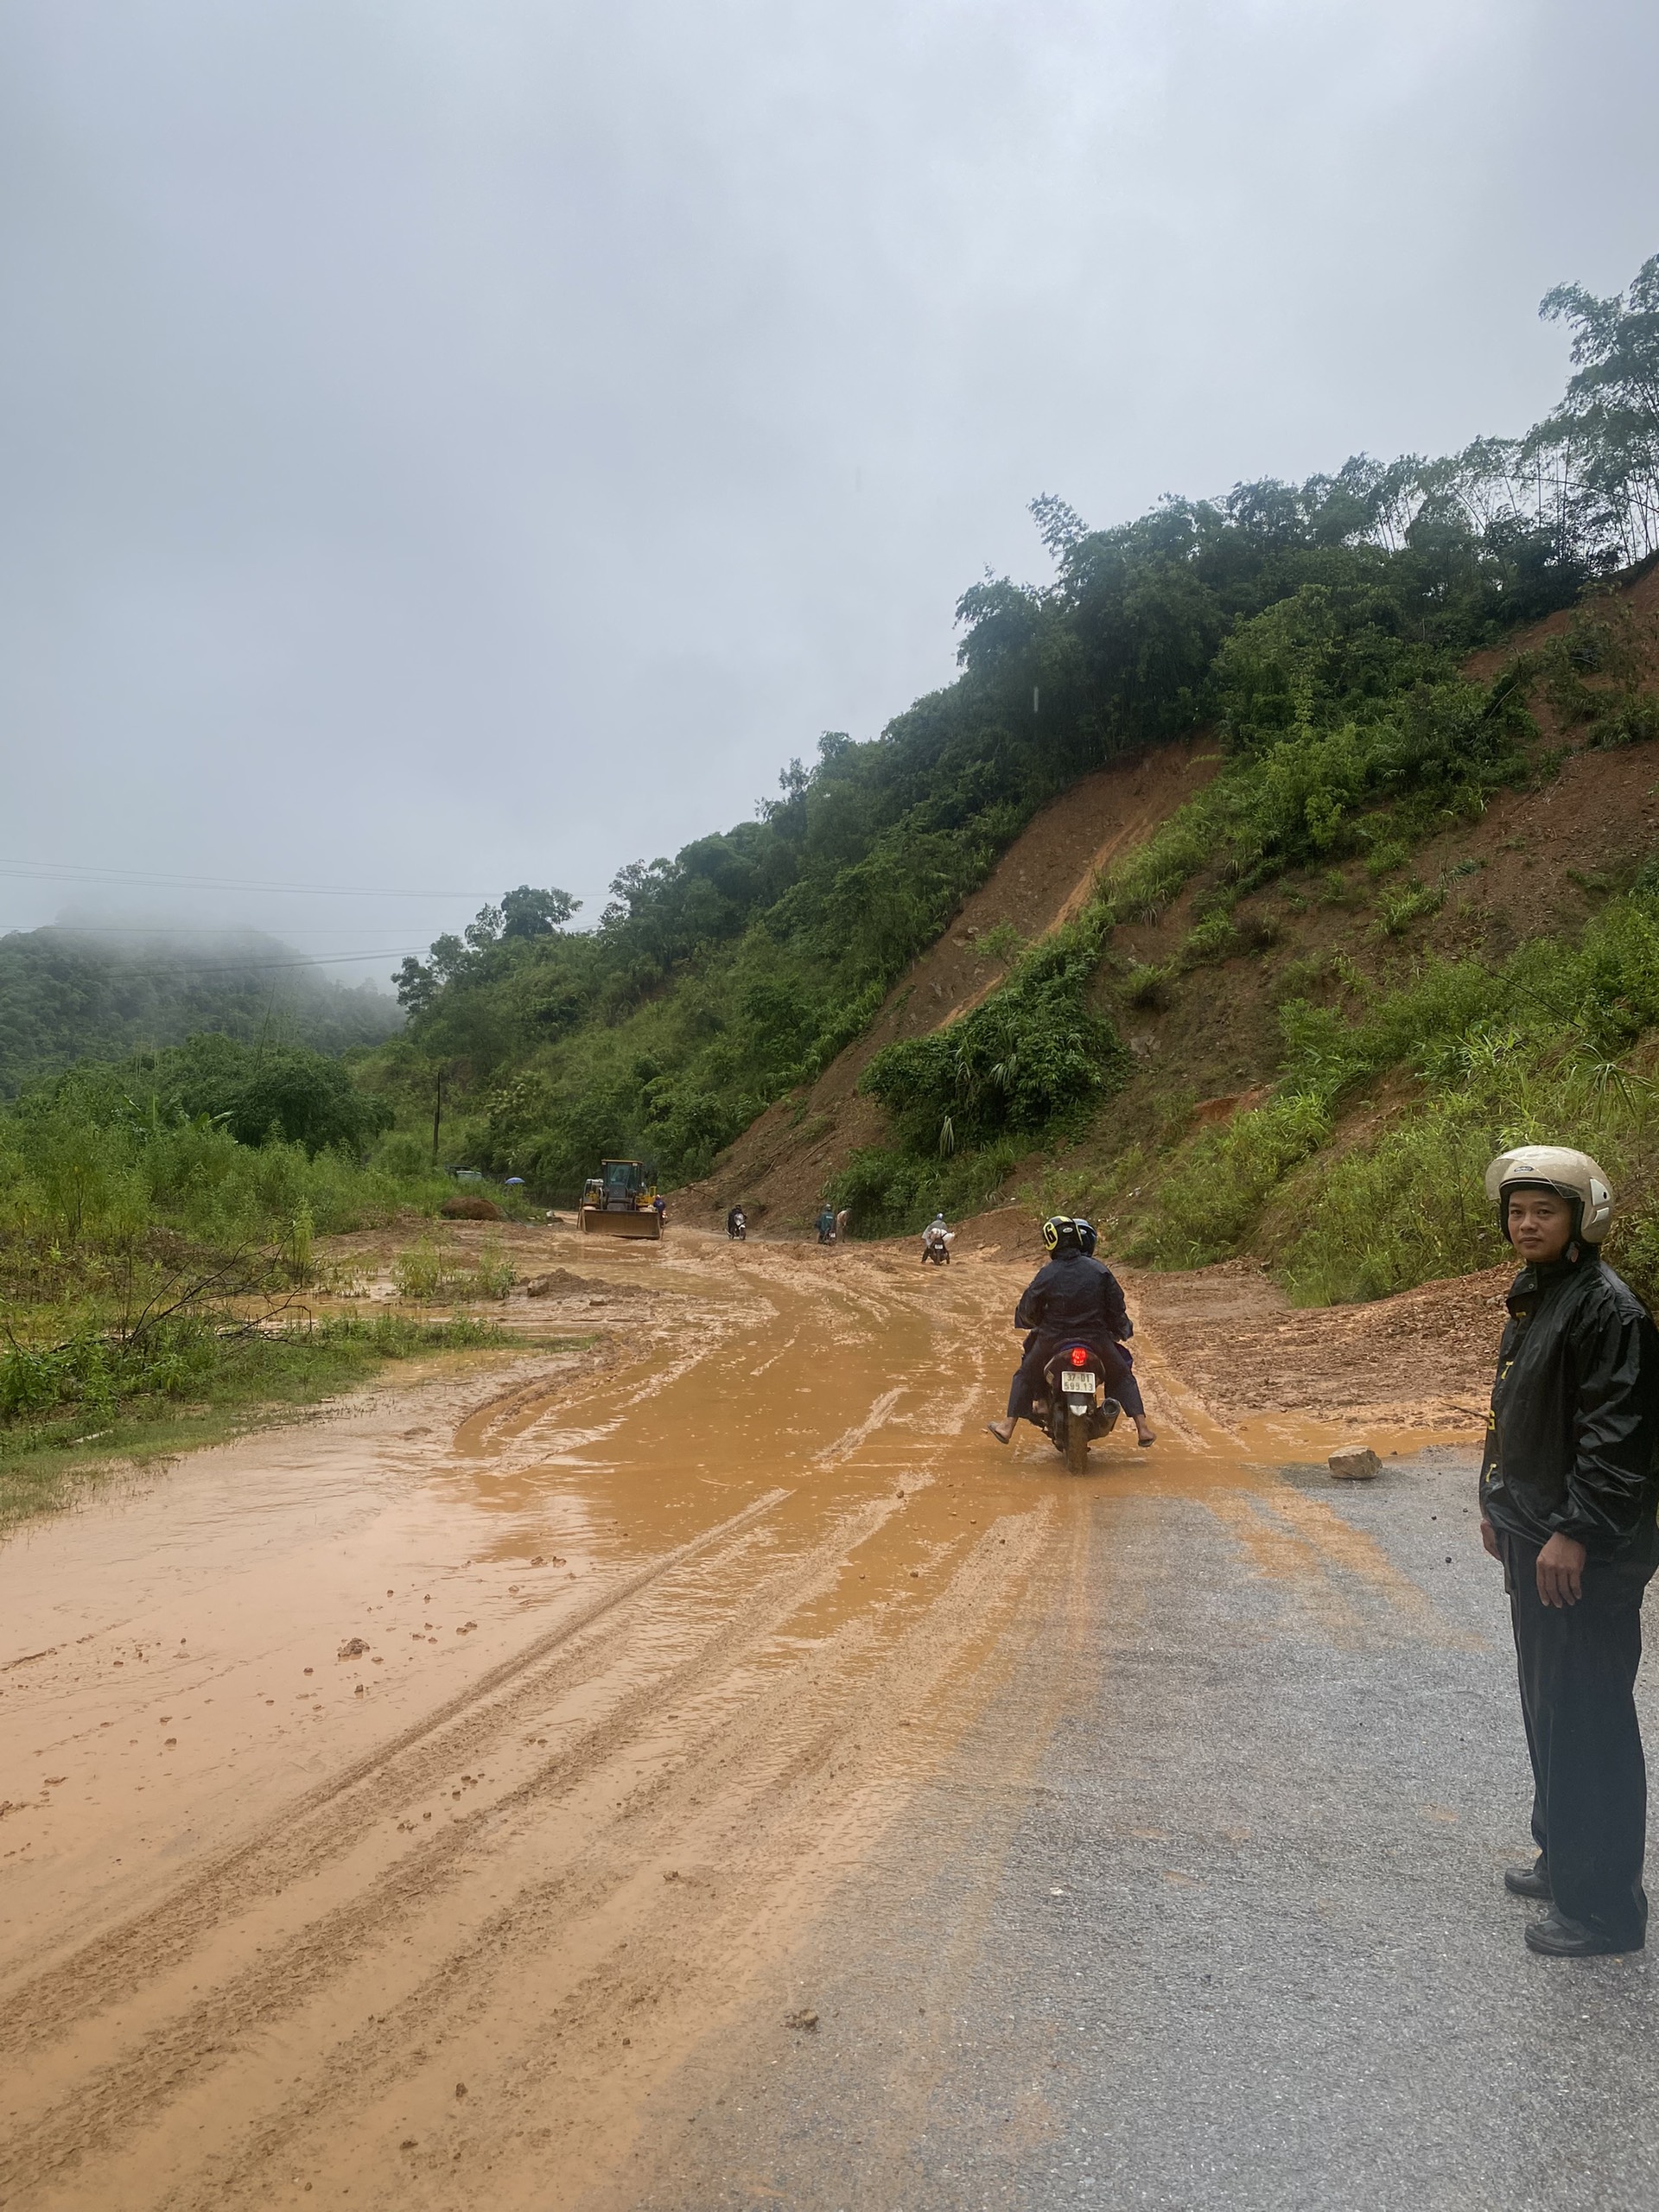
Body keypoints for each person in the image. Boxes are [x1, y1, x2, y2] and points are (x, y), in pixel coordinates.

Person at [1479, 1145, 1659, 1957]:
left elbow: (1617, 1440)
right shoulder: (1540, 1295)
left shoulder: (1607, 1311)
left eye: (1543, 1211)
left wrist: (1575, 1531)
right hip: (1537, 1535)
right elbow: (1515, 1418)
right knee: (1547, 1702)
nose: (1527, 1223)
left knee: (1586, 1716)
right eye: (1517, 1211)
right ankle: (1564, 1856)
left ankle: (1603, 1911)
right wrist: (1501, 1510)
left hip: (1586, 1548)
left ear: (1584, 1218)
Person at [986, 1215, 1156, 1447]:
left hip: (1052, 1340)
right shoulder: (1099, 1270)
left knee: (1026, 1373)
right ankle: (1142, 1428)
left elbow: (1028, 1308)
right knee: (1122, 1374)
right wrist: (1121, 1329)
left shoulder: (1047, 1273)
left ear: (1051, 1243)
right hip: (1096, 1340)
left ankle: (1007, 1426)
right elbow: (1117, 1307)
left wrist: (1031, 1320)